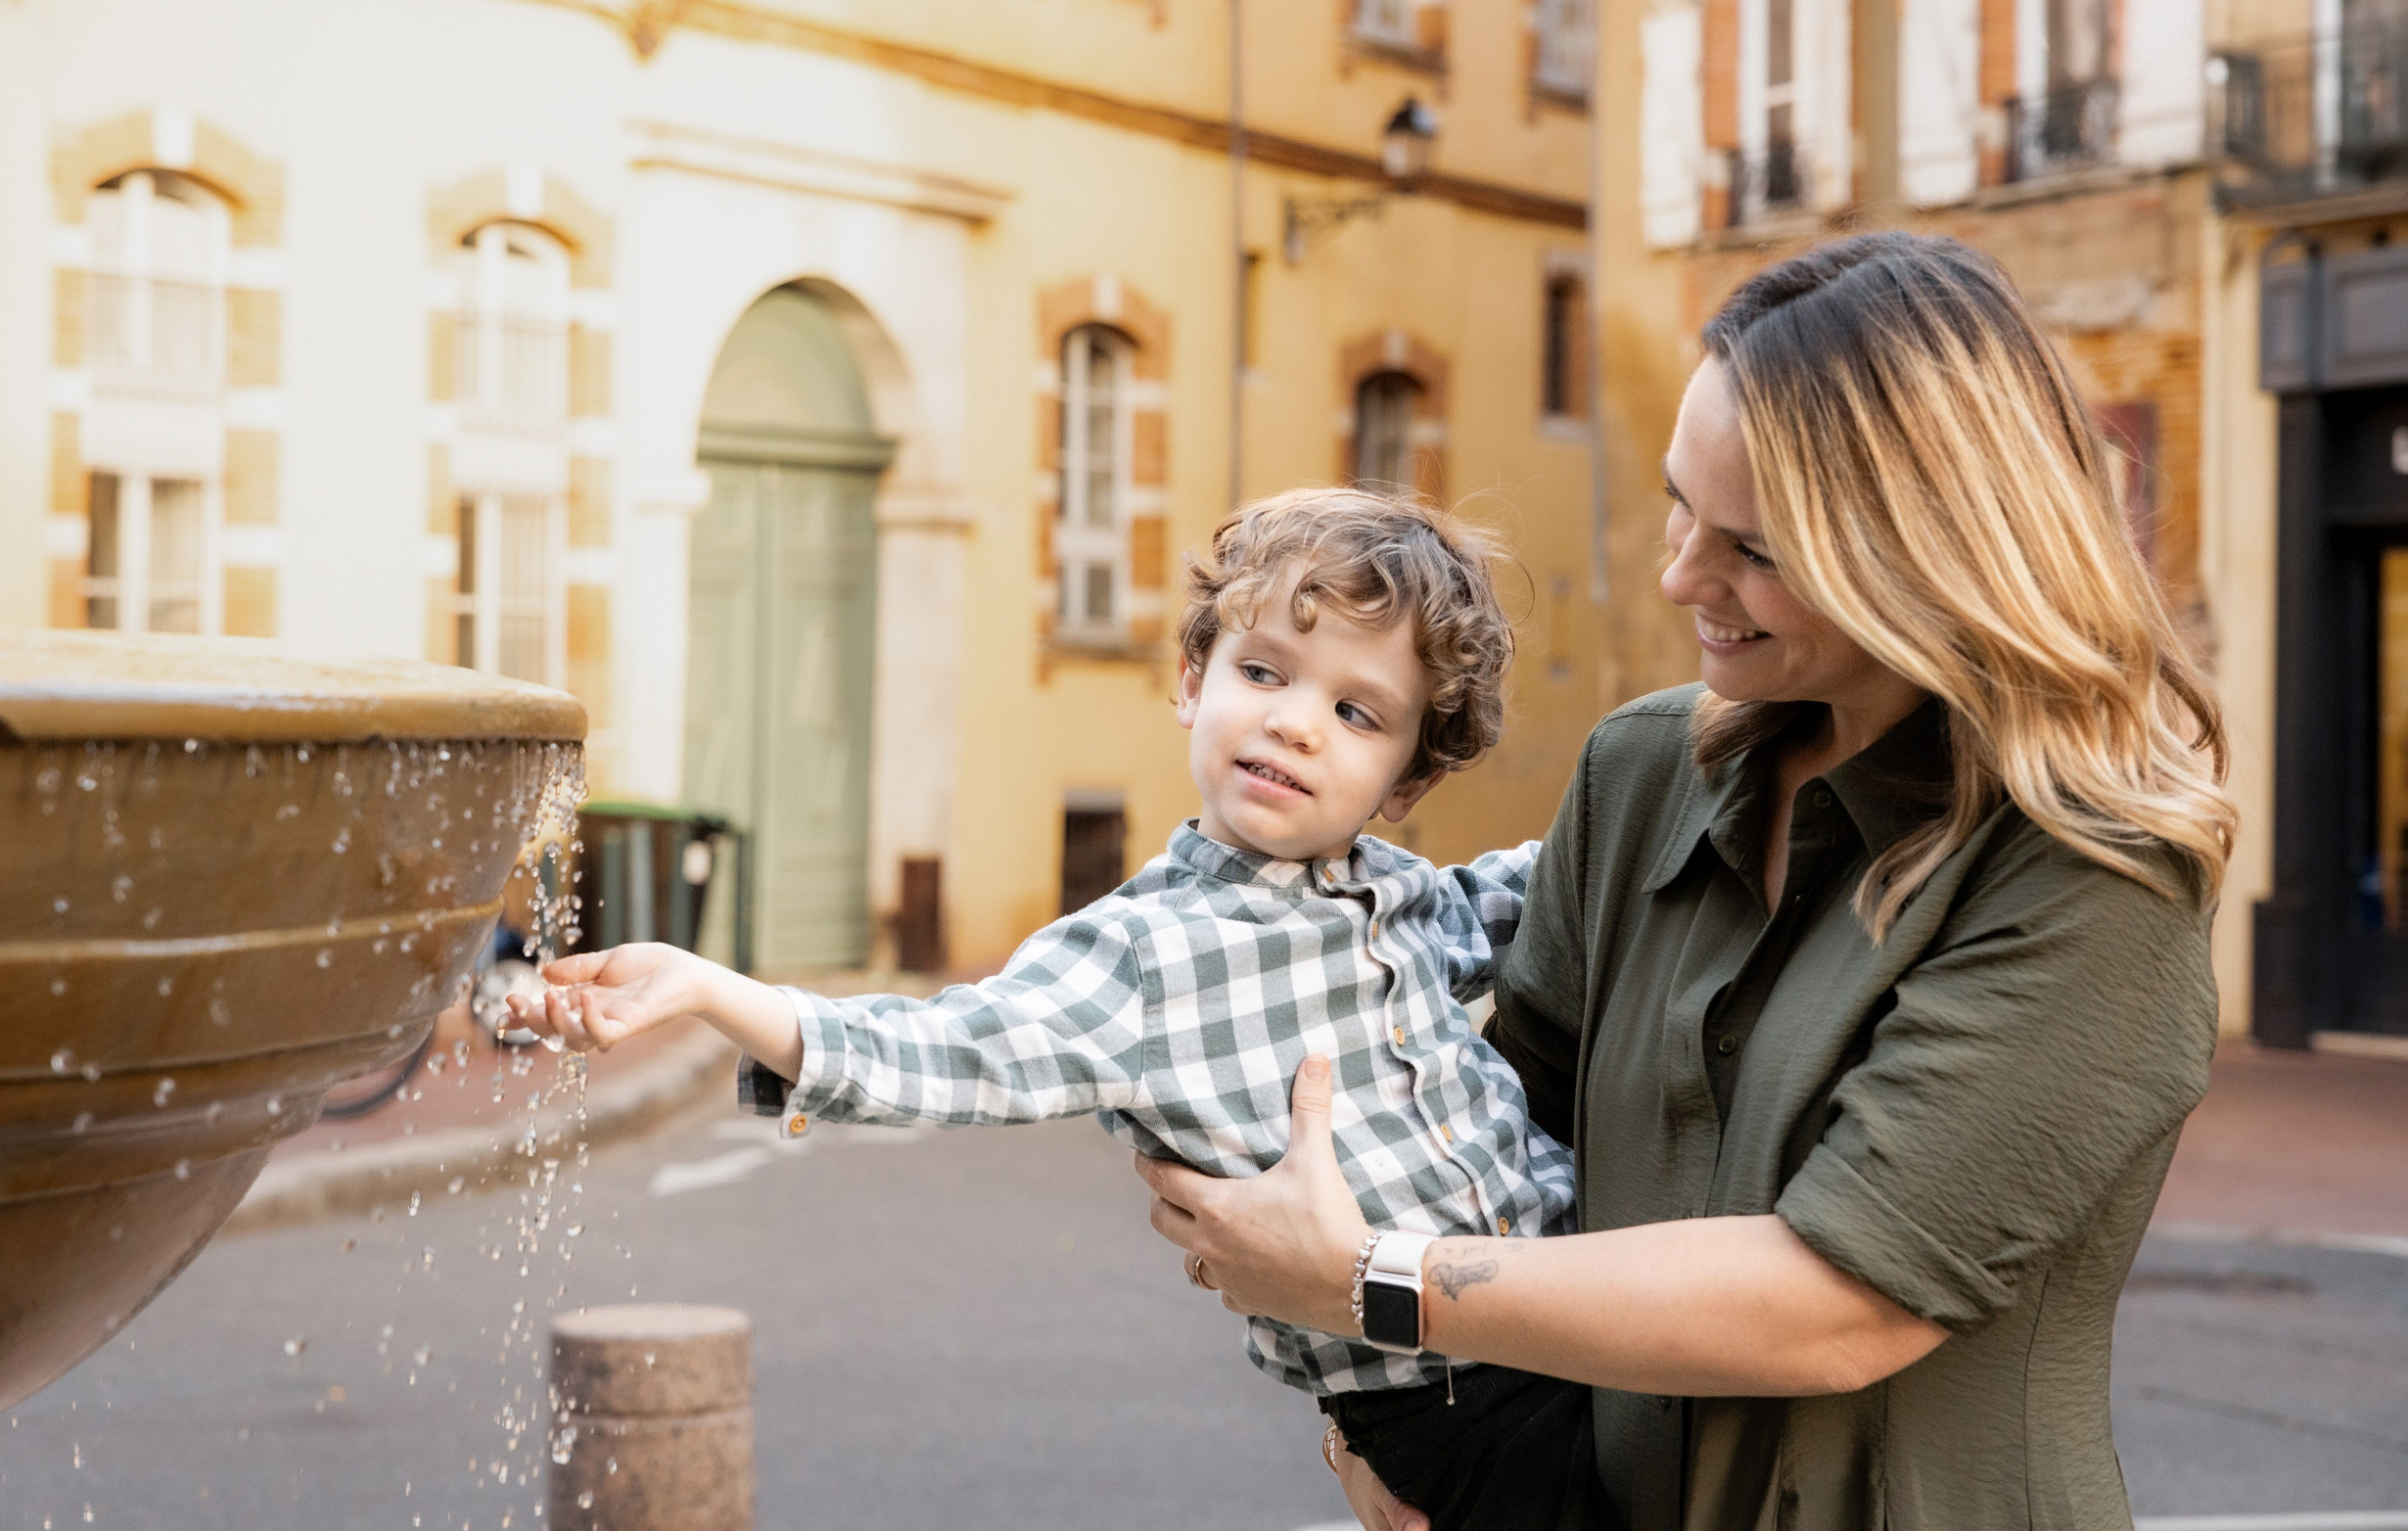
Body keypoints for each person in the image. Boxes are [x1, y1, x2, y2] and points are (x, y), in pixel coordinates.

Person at [1138, 233, 2238, 1531]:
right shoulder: (1646, 768)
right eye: (1680, 504)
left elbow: (1838, 1300)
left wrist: (1370, 1282)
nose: (1678, 577)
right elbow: (1479, 1134)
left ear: (1933, 556)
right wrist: (1378, 1423)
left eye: (1756, 551)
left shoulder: (2092, 870)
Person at [508, 487, 1593, 1531]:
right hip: (1446, 1413)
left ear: (1406, 779)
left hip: (1572, 1311)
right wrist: (712, 991)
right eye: (1264, 671)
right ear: (1190, 680)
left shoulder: (1409, 899)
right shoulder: (1138, 955)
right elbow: (948, 1046)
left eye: (1356, 712)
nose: (1296, 724)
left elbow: (1566, 873)